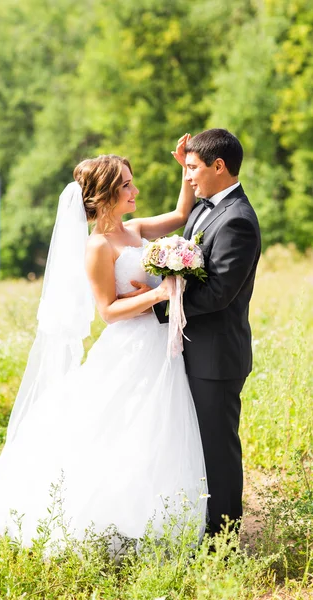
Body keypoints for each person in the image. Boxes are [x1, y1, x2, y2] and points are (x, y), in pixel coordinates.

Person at [0, 137, 208, 552]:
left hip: (160, 342)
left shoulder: (134, 230)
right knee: (120, 426)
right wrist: (159, 294)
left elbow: (180, 213)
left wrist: (184, 172)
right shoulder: (97, 246)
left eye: (133, 184)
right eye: (127, 186)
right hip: (129, 346)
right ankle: (107, 517)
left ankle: (157, 515)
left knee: (158, 426)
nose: (135, 192)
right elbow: (108, 311)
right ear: (104, 195)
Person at [153, 128, 261, 537]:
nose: (189, 175)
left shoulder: (238, 221)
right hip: (194, 350)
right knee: (195, 445)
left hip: (217, 357)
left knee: (217, 451)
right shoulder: (205, 207)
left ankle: (224, 542)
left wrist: (159, 305)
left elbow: (217, 293)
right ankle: (198, 526)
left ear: (219, 166)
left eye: (194, 168)